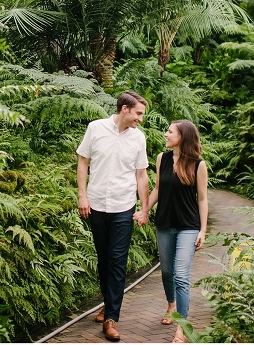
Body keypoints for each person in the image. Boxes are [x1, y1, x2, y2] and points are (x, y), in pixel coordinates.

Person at [76, 91, 150, 342]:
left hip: (123, 207)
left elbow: (142, 175)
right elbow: (83, 162)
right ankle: (108, 305)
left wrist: (144, 208)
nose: (140, 118)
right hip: (96, 204)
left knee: (118, 260)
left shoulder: (139, 138)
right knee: (103, 258)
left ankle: (111, 318)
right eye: (138, 113)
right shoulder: (95, 128)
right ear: (125, 109)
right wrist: (82, 196)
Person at [134, 120, 208, 343]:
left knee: (181, 277)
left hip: (188, 226)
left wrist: (203, 230)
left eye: (170, 131)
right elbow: (158, 188)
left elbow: (203, 199)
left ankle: (182, 327)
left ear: (183, 137)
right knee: (167, 272)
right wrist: (144, 210)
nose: (165, 134)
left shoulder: (198, 164)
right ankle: (171, 305)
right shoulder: (162, 159)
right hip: (164, 223)